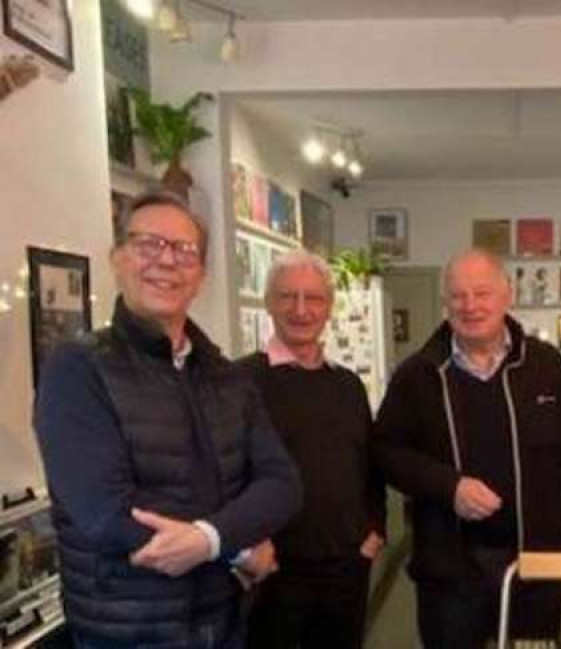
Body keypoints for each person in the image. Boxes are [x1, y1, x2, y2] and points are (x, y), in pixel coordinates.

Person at [33, 191, 303, 649]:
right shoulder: (78, 369)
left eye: (184, 250)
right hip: (128, 631)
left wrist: (211, 537)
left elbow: (282, 483)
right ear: (117, 258)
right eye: (148, 244)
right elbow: (104, 513)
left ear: (200, 275)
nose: (166, 261)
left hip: (223, 620)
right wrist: (228, 544)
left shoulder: (224, 375)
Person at [373, 248, 561, 649]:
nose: (471, 306)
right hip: (449, 575)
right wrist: (449, 486)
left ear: (506, 295)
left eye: (482, 293)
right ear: (445, 305)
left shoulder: (547, 365)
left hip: (536, 568)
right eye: (458, 296)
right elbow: (386, 452)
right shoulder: (418, 375)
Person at [238, 250, 386, 649]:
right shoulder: (240, 381)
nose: (301, 310)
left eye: (314, 298)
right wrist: (244, 548)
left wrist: (375, 531)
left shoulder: (348, 386)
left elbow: (369, 468)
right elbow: (222, 473)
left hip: (346, 568)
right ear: (269, 303)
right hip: (272, 574)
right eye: (288, 297)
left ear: (329, 308)